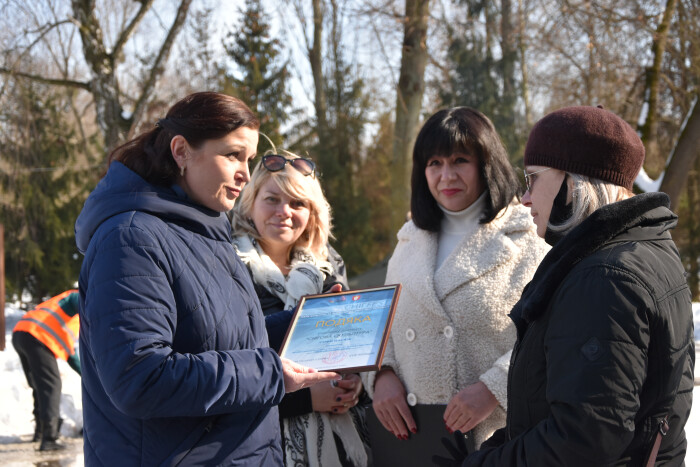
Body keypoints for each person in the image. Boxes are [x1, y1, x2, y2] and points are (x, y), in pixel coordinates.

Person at [74, 92, 339, 466]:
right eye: (233, 155)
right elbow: (141, 379)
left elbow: (220, 338)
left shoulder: (207, 232)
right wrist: (268, 373)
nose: (246, 174)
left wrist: (304, 321)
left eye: (247, 159)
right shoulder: (130, 238)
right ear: (181, 151)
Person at [463, 106, 695, 466]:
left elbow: (582, 440)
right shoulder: (648, 250)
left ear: (572, 184)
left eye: (533, 179)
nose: (524, 199)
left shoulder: (605, 279)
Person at [364, 107, 549, 449]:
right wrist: (382, 375)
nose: (446, 176)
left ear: (486, 164)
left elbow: (551, 337)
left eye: (460, 160)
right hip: (411, 443)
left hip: (497, 442)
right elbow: (384, 323)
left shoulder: (529, 238)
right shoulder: (408, 240)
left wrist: (496, 387)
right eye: (434, 163)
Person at [232, 149, 369, 467]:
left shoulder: (329, 267)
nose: (284, 211)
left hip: (341, 446)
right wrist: (306, 399)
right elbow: (225, 369)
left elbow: (351, 348)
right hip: (256, 447)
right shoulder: (225, 265)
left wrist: (354, 386)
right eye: (272, 199)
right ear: (250, 201)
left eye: (297, 203)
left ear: (312, 211)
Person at [12, 289, 80, 451]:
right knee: (51, 386)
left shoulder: (69, 318)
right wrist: (89, 308)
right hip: (37, 335)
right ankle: (49, 438)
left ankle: (40, 432)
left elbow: (71, 356)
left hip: (22, 332)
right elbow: (76, 301)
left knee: (39, 385)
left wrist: (87, 374)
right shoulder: (80, 296)